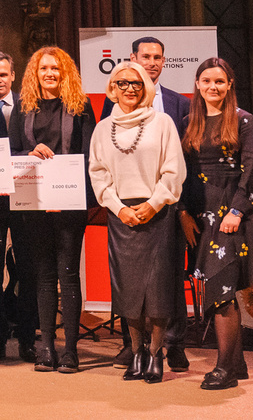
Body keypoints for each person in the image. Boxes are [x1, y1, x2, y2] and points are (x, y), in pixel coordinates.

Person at [88, 61, 185, 384]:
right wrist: (118, 208)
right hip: (121, 217)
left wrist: (154, 204)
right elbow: (98, 173)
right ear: (112, 89)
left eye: (136, 83)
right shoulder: (103, 129)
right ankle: (137, 351)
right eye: (123, 83)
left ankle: (156, 355)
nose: (130, 89)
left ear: (146, 87)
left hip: (157, 214)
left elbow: (174, 170)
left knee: (157, 290)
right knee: (128, 291)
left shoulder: (163, 122)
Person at [8, 47, 95, 373]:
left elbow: (89, 155)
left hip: (69, 206)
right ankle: (47, 348)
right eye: (44, 68)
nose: (50, 74)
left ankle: (70, 351)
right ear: (36, 72)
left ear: (65, 73)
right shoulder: (23, 106)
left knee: (68, 276)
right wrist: (30, 152)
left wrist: (68, 188)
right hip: (35, 204)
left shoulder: (80, 106)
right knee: (43, 277)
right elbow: (12, 150)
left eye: (56, 69)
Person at [178, 58, 253, 390]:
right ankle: (237, 363)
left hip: (230, 213)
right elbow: (180, 172)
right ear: (197, 84)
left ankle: (224, 368)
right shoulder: (187, 121)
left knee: (222, 291)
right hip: (200, 214)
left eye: (220, 82)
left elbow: (252, 167)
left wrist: (237, 211)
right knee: (211, 288)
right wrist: (183, 212)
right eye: (207, 81)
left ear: (229, 86)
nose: (214, 87)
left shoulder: (244, 121)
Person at [0, 50, 31, 363]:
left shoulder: (29, 105)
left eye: (4, 74)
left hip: (25, 198)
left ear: (13, 77)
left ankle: (27, 339)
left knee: (27, 270)